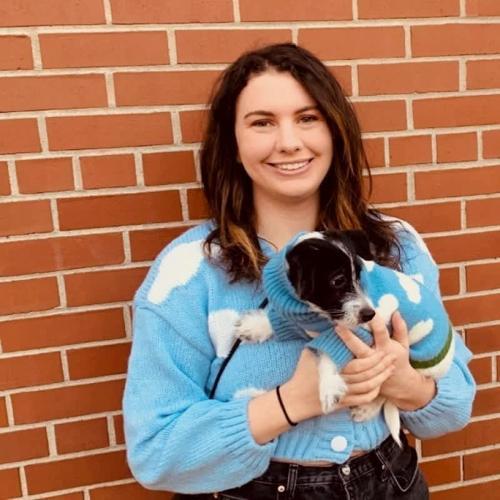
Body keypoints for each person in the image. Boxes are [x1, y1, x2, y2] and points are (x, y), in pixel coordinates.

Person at [123, 43, 476, 499]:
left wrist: (404, 383)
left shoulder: (395, 246)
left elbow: (456, 405)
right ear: (233, 145)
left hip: (389, 480)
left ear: (335, 131)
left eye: (308, 118)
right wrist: (292, 402)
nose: (289, 142)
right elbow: (156, 454)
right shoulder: (189, 272)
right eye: (262, 122)